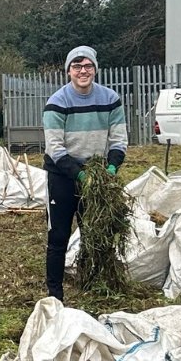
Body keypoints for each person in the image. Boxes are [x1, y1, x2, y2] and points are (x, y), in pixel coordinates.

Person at [43, 46, 127, 301]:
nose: (83, 71)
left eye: (88, 66)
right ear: (69, 71)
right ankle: (55, 293)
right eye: (77, 66)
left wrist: (111, 167)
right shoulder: (57, 102)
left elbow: (119, 139)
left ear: (95, 69)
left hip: (97, 172)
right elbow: (55, 148)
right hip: (62, 175)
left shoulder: (110, 99)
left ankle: (92, 282)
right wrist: (79, 175)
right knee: (59, 234)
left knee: (93, 231)